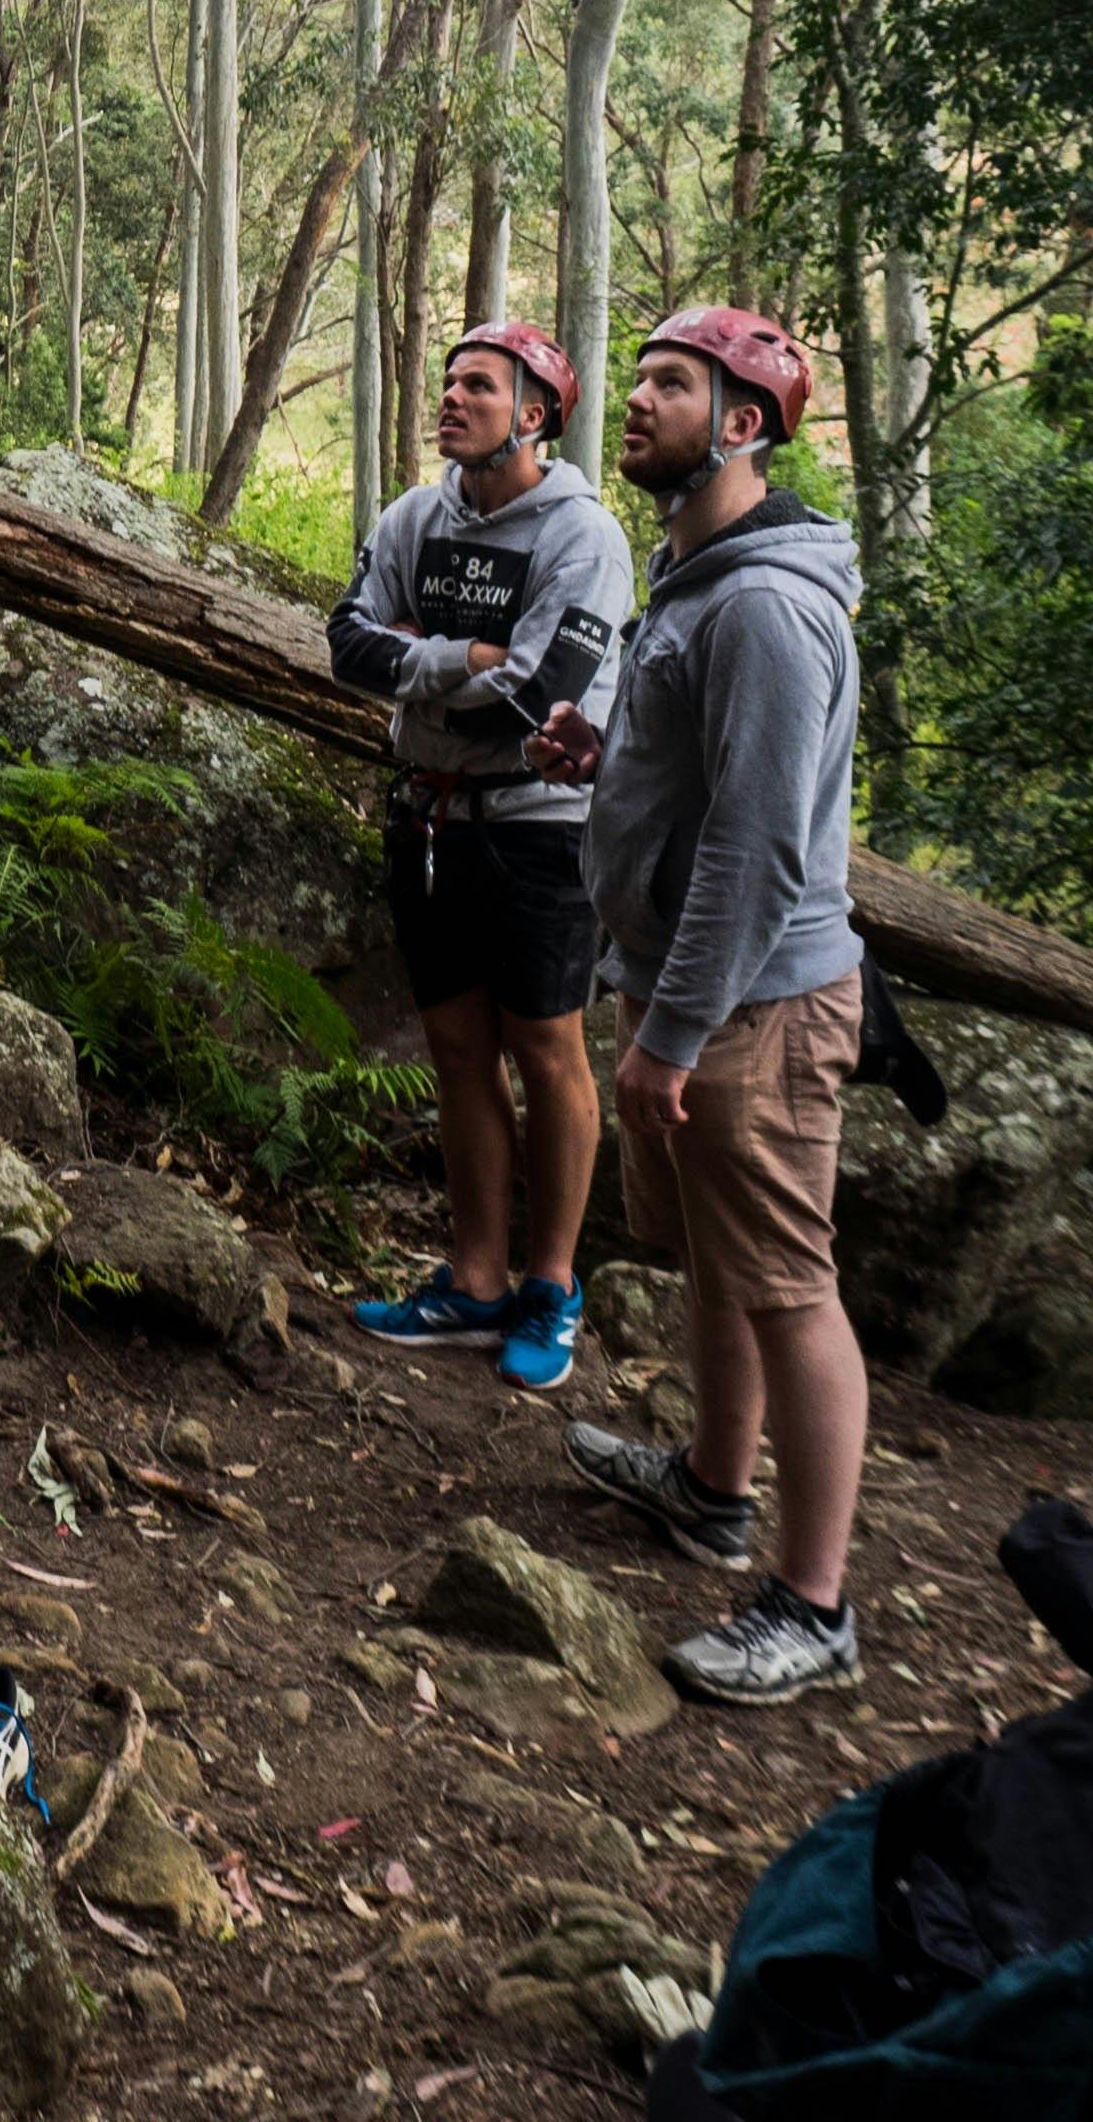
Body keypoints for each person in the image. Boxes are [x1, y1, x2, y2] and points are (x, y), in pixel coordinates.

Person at [528, 305, 874, 1706]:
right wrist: (608, 746)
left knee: (790, 1287)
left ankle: (813, 1606)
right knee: (724, 1261)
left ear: (743, 424)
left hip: (755, 1008)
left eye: (674, 384)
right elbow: (695, 771)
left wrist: (672, 1034)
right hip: (682, 984)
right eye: (648, 376)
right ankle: (713, 1487)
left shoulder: (770, 607)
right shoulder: (693, 579)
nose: (638, 399)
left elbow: (764, 844)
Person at [335, 323, 635, 1393]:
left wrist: (417, 661)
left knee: (548, 1049)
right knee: (458, 1048)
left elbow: (545, 691)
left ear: (536, 414)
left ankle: (551, 1286)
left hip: (541, 825)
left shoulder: (586, 536)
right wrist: (461, 653)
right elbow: (346, 646)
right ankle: (474, 1280)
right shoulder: (414, 516)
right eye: (451, 381)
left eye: (479, 386)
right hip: (426, 815)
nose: (451, 398)